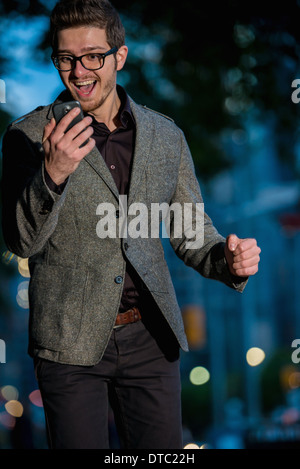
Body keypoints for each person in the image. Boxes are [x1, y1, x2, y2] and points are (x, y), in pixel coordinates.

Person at [1, 0, 261, 449]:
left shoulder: (165, 136)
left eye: (93, 57)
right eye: (66, 59)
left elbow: (191, 232)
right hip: (69, 343)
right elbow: (21, 241)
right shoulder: (27, 135)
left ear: (120, 57)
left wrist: (228, 261)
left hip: (151, 338)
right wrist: (53, 174)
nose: (79, 71)